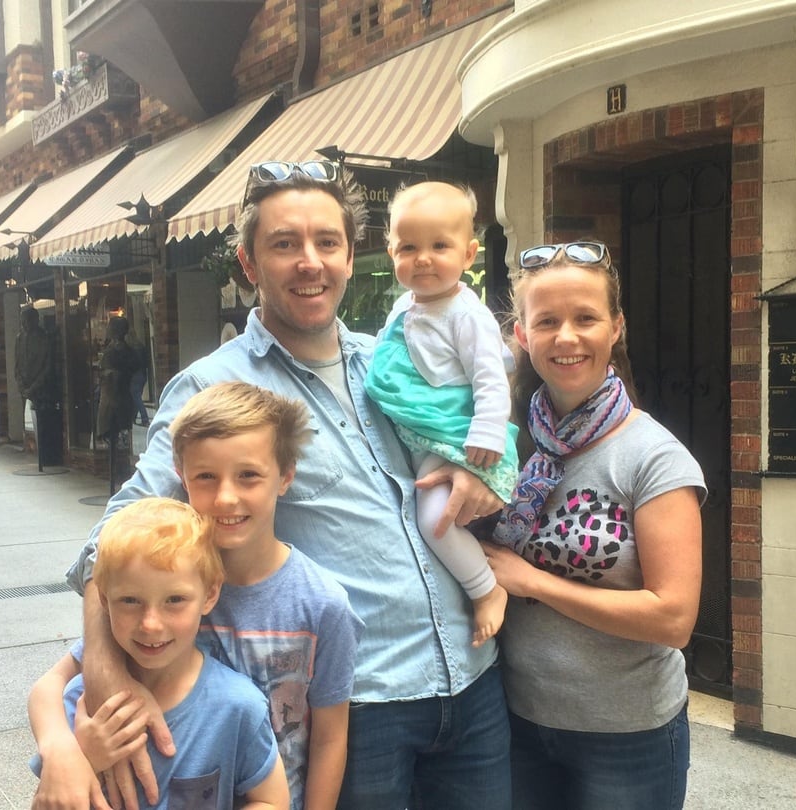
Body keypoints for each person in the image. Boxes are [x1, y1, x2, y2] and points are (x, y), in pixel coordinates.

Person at [65, 160, 509, 810]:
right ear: (248, 263)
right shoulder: (211, 389)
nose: (310, 262)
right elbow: (108, 545)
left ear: (352, 257)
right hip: (359, 703)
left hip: (473, 682)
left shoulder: (392, 361)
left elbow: (477, 430)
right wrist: (105, 677)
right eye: (284, 244)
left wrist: (488, 474)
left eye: (327, 242)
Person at [481, 240, 706, 810]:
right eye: (547, 321)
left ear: (616, 328)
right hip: (517, 720)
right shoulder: (506, 445)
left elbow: (673, 618)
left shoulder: (653, 457)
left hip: (627, 736)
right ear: (522, 335)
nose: (566, 337)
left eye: (586, 318)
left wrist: (531, 581)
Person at [28, 497, 290, 810]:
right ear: (103, 597)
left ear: (210, 594)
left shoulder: (238, 707)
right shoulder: (82, 704)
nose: (151, 624)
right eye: (130, 601)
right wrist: (85, 756)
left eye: (174, 600)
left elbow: (271, 800)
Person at [178, 382, 361, 810]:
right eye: (206, 476)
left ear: (286, 475)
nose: (226, 497)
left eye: (248, 475)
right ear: (180, 476)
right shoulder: (165, 589)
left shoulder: (323, 606)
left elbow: (331, 738)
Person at [364, 181, 516, 646]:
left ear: (469, 255)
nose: (423, 258)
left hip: (454, 436)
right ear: (391, 252)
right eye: (409, 247)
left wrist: (488, 433)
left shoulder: (466, 314)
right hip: (420, 436)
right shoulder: (402, 307)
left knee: (435, 518)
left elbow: (491, 378)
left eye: (439, 245)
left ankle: (486, 589)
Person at [96, 316, 138, 441]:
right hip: (121, 397)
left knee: (112, 435)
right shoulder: (126, 349)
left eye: (109, 326)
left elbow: (113, 375)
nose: (107, 328)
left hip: (112, 400)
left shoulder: (114, 351)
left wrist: (105, 374)